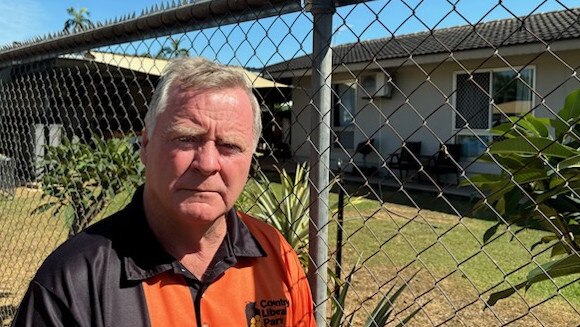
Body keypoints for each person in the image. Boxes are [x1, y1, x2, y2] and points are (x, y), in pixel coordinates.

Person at [13, 58, 315, 327]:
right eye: (186, 139)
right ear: (145, 145)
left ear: (251, 158)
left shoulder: (278, 257)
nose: (207, 164)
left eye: (230, 146)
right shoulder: (73, 281)